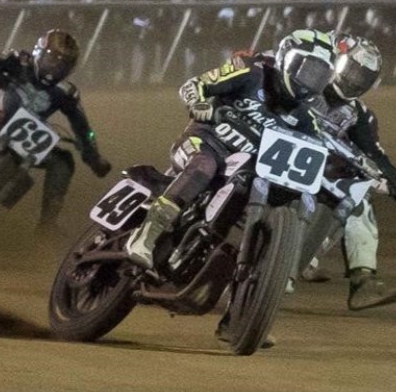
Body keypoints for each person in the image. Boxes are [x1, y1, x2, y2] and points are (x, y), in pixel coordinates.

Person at [124, 29, 336, 270]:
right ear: (287, 58)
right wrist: (200, 103)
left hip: (247, 168)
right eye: (307, 70)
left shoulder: (306, 116)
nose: (310, 80)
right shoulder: (251, 72)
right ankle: (147, 234)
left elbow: (318, 148)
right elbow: (193, 85)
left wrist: (331, 170)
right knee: (204, 165)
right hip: (205, 142)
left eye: (319, 75)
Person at [303, 35, 396, 311]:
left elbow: (374, 153)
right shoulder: (303, 78)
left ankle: (363, 281)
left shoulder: (360, 115)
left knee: (358, 200)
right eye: (353, 72)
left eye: (363, 78)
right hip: (267, 152)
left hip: (313, 173)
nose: (354, 81)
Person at [0, 28, 109, 228]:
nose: (55, 67)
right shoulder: (18, 60)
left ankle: (47, 224)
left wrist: (94, 158)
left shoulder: (66, 93)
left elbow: (82, 128)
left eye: (62, 64)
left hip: (28, 137)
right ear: (39, 51)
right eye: (52, 59)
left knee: (63, 163)